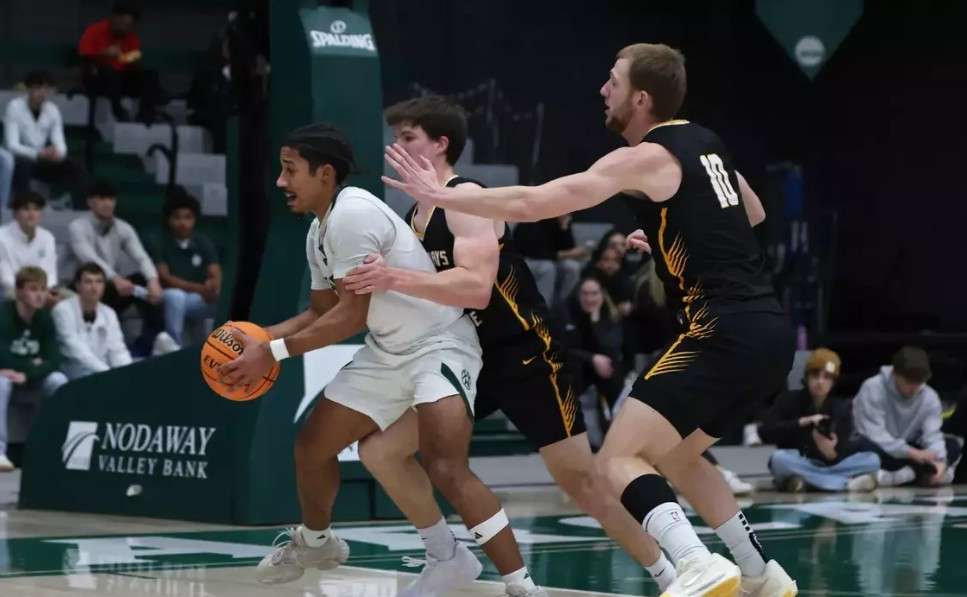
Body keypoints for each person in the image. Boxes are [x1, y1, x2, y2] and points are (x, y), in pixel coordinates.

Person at [384, 42, 798, 596]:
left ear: (641, 98)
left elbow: (535, 203)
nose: (604, 90)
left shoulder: (644, 156)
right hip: (770, 334)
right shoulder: (708, 143)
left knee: (617, 459)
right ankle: (760, 573)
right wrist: (671, 230)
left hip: (721, 331)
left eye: (614, 82)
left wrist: (443, 195)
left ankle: (696, 564)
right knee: (678, 457)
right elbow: (752, 212)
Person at [343, 95, 677, 595]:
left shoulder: (469, 199)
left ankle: (671, 575)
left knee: (581, 483)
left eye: (409, 137)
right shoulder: (413, 216)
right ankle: (445, 556)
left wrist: (392, 277)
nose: (397, 147)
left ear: (440, 144)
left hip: (525, 354)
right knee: (381, 451)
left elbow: (476, 289)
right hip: (466, 357)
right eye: (396, 137)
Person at [218, 124, 544, 595]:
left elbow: (352, 317)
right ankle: (324, 543)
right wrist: (261, 337)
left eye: (290, 170)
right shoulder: (318, 232)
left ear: (324, 174)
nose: (281, 181)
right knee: (313, 447)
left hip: (439, 344)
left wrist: (270, 353)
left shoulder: (353, 214)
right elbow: (323, 311)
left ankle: (522, 585)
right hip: (388, 352)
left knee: (445, 466)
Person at [68, 179, 168, 356]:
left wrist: (153, 280)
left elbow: (141, 256)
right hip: (81, 287)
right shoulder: (77, 227)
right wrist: (115, 278)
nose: (107, 203)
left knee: (144, 282)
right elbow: (89, 259)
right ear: (90, 202)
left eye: (111, 199)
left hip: (109, 288)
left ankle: (151, 343)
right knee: (92, 281)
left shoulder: (123, 227)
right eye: (102, 199)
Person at [761, 348, 880, 492]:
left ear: (833, 381)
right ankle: (844, 484)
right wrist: (801, 422)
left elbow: (845, 447)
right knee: (778, 459)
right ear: (807, 377)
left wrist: (831, 453)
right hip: (801, 461)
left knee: (873, 460)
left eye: (827, 377)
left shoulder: (841, 407)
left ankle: (805, 482)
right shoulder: (788, 399)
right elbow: (765, 431)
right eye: (815, 376)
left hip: (832, 465)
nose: (820, 382)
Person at [853, 346, 961, 487]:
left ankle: (906, 475)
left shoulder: (929, 396)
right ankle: (914, 474)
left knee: (952, 445)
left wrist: (940, 461)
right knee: (864, 449)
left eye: (919, 382)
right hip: (882, 448)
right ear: (895, 373)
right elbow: (874, 434)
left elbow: (933, 435)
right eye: (909, 381)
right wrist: (911, 453)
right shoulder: (873, 388)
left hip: (911, 451)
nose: (914, 387)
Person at [0, 267, 67, 471]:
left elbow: (54, 360)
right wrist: (32, 364)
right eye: (33, 289)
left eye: (43, 289)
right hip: (8, 379)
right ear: (19, 292)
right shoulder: (4, 315)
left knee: (58, 380)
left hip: (29, 380)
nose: (40, 295)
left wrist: (26, 373)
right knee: (0, 383)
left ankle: (55, 446)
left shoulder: (45, 318)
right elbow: (2, 356)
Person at [3, 71, 87, 209]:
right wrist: (38, 153)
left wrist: (58, 154)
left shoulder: (52, 110)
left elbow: (60, 143)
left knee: (76, 166)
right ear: (28, 89)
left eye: (46, 89)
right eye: (38, 88)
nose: (42, 93)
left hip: (41, 160)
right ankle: (24, 207)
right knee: (23, 166)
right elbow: (12, 145)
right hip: (17, 159)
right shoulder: (14, 107)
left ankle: (81, 209)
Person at [153, 188, 221, 345]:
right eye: (177, 217)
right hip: (166, 295)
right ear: (169, 219)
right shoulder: (159, 241)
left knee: (226, 300)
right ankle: (173, 346)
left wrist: (213, 285)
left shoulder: (203, 242)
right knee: (176, 296)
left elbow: (215, 272)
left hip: (196, 297)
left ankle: (219, 348)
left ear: (195, 219)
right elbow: (166, 278)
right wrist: (200, 288)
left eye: (188, 217)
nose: (182, 222)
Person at [78, 0, 163, 123]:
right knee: (109, 73)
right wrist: (104, 54)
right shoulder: (94, 31)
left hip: (121, 79)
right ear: (113, 18)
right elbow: (83, 57)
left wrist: (124, 58)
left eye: (128, 25)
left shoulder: (131, 37)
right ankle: (118, 112)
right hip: (98, 79)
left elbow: (133, 60)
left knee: (150, 75)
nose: (124, 28)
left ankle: (146, 115)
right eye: (122, 23)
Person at [52, 262, 132, 380]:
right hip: (74, 373)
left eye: (99, 282)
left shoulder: (109, 313)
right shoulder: (63, 310)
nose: (94, 287)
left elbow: (118, 350)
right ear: (78, 286)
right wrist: (107, 373)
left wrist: (127, 372)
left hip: (103, 371)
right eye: (88, 282)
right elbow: (75, 350)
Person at [0, 191, 60, 304]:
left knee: (70, 298)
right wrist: (32, 292)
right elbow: (5, 277)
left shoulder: (47, 237)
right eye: (26, 209)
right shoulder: (1, 237)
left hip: (42, 290)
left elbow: (50, 272)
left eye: (36, 209)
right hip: (12, 291)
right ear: (15, 214)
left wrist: (44, 291)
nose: (31, 214)